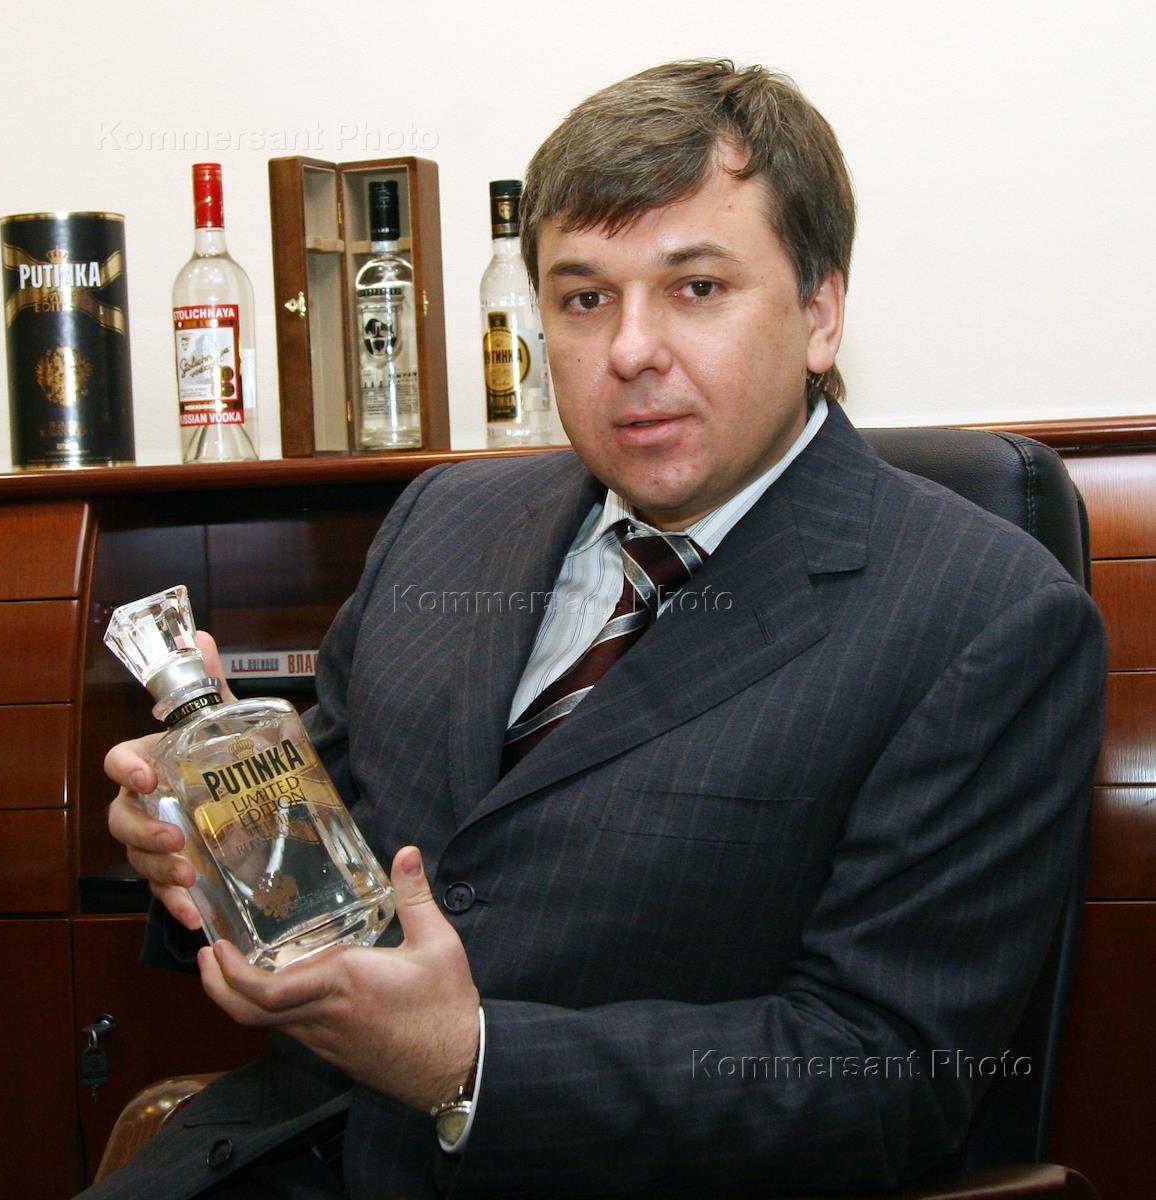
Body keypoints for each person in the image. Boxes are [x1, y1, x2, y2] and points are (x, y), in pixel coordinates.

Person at [83, 59, 1107, 1200]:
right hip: (277, 1156)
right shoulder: (443, 522)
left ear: (820, 311)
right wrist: (204, 837)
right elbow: (323, 853)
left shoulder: (985, 619)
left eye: (697, 288)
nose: (630, 351)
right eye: (584, 299)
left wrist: (472, 1064)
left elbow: (887, 1073)